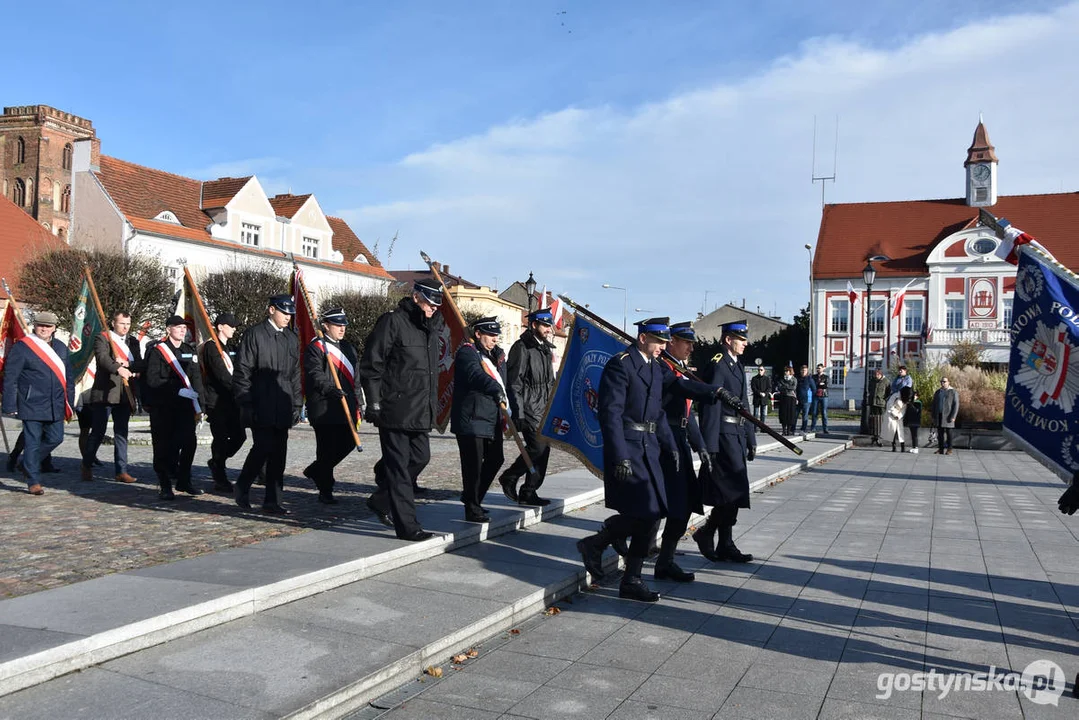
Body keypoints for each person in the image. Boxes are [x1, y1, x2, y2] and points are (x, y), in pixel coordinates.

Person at [577, 318, 678, 602]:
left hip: (650, 448)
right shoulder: (620, 364)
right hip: (629, 447)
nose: (663, 347)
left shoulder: (655, 368)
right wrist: (619, 455)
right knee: (647, 513)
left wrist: (671, 447)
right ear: (643, 338)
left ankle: (600, 545)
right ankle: (627, 575)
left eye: (665, 342)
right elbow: (609, 413)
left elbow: (657, 412)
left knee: (653, 513)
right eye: (659, 342)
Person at [360, 279, 443, 541]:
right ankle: (408, 527)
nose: (434, 308)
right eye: (430, 303)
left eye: (437, 305)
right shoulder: (393, 322)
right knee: (398, 471)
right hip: (395, 409)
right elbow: (372, 364)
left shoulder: (429, 329)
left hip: (420, 409)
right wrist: (373, 402)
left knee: (420, 458)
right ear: (416, 297)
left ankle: (381, 500)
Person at [653, 321, 723, 582]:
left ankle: (665, 561)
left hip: (679, 439)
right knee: (662, 506)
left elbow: (687, 414)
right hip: (663, 441)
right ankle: (601, 540)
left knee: (682, 506)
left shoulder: (678, 369)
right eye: (686, 342)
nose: (691, 348)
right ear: (671, 342)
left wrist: (700, 445)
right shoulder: (661, 368)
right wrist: (714, 391)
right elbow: (677, 393)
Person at [232, 294, 302, 515]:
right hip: (259, 401)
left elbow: (295, 374)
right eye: (284, 312)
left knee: (279, 453)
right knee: (262, 448)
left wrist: (297, 404)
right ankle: (243, 485)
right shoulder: (254, 334)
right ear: (271, 310)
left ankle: (273, 500)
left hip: (283, 402)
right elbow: (243, 370)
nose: (288, 317)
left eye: (290, 313)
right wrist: (245, 401)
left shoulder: (291, 338)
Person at [694, 321, 756, 564]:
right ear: (728, 339)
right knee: (729, 492)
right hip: (722, 436)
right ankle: (711, 534)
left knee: (736, 494)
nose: (745, 343)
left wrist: (750, 436)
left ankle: (722, 541)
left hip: (737, 436)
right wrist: (709, 445)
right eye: (741, 339)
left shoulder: (737, 365)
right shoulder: (718, 363)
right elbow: (711, 404)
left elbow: (745, 404)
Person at [1, 311, 74, 495]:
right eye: (41, 325)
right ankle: (33, 480)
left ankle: (27, 464)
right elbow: (11, 377)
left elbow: (69, 378)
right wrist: (9, 405)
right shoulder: (23, 347)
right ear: (35, 326)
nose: (44, 329)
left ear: (54, 328)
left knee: (56, 438)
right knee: (32, 442)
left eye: (48, 326)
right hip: (31, 402)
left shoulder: (60, 348)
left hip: (56, 402)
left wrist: (69, 402)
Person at [451, 316, 511, 523]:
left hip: (492, 417)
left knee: (496, 459)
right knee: (473, 465)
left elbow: (505, 382)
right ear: (478, 334)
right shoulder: (468, 353)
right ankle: (472, 507)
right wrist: (494, 388)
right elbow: (475, 375)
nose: (495, 339)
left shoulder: (497, 356)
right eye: (491, 335)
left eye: (497, 335)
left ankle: (473, 498)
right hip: (472, 417)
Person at [302, 307, 360, 505]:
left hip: (346, 405)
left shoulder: (349, 348)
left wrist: (359, 401)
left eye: (343, 324)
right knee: (326, 449)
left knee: (349, 443)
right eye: (337, 324)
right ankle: (325, 490)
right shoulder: (317, 347)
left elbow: (356, 378)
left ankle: (315, 470)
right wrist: (329, 388)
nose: (342, 328)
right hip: (325, 406)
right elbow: (314, 374)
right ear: (326, 326)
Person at [499, 307, 556, 506]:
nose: (549, 329)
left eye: (550, 325)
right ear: (534, 325)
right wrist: (519, 413)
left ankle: (529, 491)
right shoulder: (521, 347)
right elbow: (515, 382)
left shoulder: (545, 349)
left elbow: (550, 381)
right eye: (545, 325)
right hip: (530, 408)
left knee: (544, 451)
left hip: (545, 408)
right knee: (537, 448)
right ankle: (510, 476)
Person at [145, 315, 204, 499]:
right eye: (178, 327)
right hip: (164, 407)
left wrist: (201, 404)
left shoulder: (189, 350)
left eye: (184, 327)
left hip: (185, 408)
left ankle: (184, 480)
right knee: (163, 447)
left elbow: (196, 378)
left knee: (189, 443)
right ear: (168, 329)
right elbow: (153, 380)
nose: (182, 330)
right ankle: (164, 485)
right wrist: (177, 390)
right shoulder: (157, 352)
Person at [83, 311, 144, 484]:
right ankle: (86, 464)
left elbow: (139, 362)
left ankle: (121, 470)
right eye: (121, 323)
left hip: (126, 392)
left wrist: (130, 365)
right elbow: (102, 359)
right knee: (98, 431)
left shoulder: (133, 341)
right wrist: (118, 367)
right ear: (113, 323)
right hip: (106, 392)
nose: (125, 327)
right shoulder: (103, 338)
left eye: (128, 324)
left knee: (121, 432)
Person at [199, 313, 244, 494]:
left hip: (230, 400)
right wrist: (239, 389)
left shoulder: (227, 347)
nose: (234, 329)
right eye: (231, 325)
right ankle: (220, 475)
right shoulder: (211, 347)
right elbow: (221, 375)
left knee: (239, 437)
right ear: (220, 327)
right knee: (220, 437)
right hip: (216, 400)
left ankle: (217, 462)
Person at [932, 376, 959, 455]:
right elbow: (933, 404)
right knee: (940, 434)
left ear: (948, 382)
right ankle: (941, 449)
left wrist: (953, 416)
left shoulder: (953, 392)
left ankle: (949, 449)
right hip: (939, 415)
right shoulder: (938, 392)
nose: (943, 383)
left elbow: (956, 405)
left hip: (948, 416)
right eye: (942, 382)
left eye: (944, 381)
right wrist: (933, 416)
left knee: (949, 433)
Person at [884, 386, 911, 453]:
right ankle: (894, 446)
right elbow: (889, 405)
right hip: (891, 415)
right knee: (893, 431)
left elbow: (904, 409)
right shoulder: (895, 396)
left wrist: (899, 416)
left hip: (899, 416)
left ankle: (902, 446)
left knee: (900, 431)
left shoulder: (905, 398)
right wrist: (894, 414)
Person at [867, 368, 888, 446]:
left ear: (880, 374)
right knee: (873, 420)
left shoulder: (886, 381)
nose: (875, 376)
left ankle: (880, 437)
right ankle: (874, 436)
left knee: (881, 420)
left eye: (877, 375)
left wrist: (883, 399)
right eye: (874, 375)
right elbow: (869, 389)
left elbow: (888, 392)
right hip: (873, 403)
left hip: (881, 404)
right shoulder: (872, 381)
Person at [775, 365, 798, 435]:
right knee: (783, 414)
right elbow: (779, 387)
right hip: (783, 397)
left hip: (791, 398)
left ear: (790, 371)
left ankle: (789, 430)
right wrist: (787, 387)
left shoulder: (794, 379)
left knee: (790, 414)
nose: (785, 372)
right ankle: (784, 430)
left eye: (787, 371)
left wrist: (785, 387)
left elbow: (793, 387)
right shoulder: (782, 379)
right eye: (785, 371)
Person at [808, 363, 829, 433]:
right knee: (814, 412)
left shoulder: (826, 377)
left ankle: (825, 429)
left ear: (823, 369)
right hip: (815, 396)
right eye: (817, 368)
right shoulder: (813, 377)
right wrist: (820, 384)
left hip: (824, 396)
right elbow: (813, 385)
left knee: (824, 412)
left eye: (819, 368)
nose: (818, 370)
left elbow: (826, 385)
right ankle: (813, 427)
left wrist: (820, 385)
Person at [903, 388, 922, 453]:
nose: (914, 396)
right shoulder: (909, 403)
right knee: (912, 435)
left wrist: (911, 404)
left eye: (915, 395)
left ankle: (916, 447)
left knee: (915, 435)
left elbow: (916, 411)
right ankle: (914, 447)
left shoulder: (918, 403)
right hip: (911, 421)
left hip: (915, 421)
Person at [796, 364, 813, 433]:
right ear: (800, 371)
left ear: (807, 371)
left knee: (805, 415)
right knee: (795, 414)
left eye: (805, 370)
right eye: (802, 370)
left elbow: (814, 389)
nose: (803, 372)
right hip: (798, 399)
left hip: (807, 400)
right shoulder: (798, 379)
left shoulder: (809, 379)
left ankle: (803, 429)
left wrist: (811, 397)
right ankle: (792, 428)